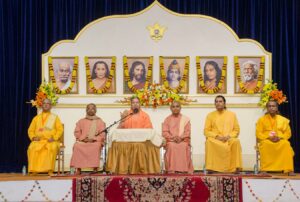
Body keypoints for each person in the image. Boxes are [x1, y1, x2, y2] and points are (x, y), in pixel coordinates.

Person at [204, 95, 242, 173]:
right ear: (214, 104)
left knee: (236, 141)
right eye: (216, 102)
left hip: (228, 139)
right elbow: (206, 131)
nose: (218, 103)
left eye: (220, 101)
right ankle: (212, 168)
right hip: (216, 139)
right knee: (209, 141)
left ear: (224, 103)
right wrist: (216, 136)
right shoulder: (210, 115)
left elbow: (236, 130)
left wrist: (228, 136)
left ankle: (234, 168)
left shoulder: (232, 114)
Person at [256, 100, 295, 175]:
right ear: (267, 108)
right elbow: (258, 133)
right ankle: (264, 169)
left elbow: (288, 133)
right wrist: (268, 137)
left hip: (280, 139)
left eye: (273, 106)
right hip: (267, 139)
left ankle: (289, 169)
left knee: (286, 144)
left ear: (277, 108)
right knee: (264, 144)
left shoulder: (283, 120)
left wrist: (280, 137)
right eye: (269, 106)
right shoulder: (261, 120)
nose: (271, 108)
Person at [27, 98, 63, 175]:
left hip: (51, 140)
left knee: (52, 148)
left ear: (50, 106)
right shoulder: (36, 118)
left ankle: (50, 170)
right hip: (39, 140)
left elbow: (60, 130)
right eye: (44, 103)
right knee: (32, 147)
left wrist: (54, 138)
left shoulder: (55, 117)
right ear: (41, 105)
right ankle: (34, 170)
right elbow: (30, 130)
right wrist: (33, 137)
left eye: (48, 103)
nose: (46, 105)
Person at [70, 103, 106, 175]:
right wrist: (83, 139)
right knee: (77, 146)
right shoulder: (81, 121)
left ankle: (95, 168)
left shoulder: (100, 121)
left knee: (96, 146)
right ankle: (78, 168)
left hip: (95, 141)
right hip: (83, 140)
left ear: (95, 110)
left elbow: (103, 134)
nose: (90, 110)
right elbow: (77, 132)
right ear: (86, 110)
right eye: (88, 108)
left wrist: (94, 139)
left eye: (92, 108)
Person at [162, 101, 194, 173]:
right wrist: (173, 138)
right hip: (171, 141)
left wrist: (181, 138)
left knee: (184, 146)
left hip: (183, 140)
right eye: (173, 107)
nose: (175, 108)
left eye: (177, 106)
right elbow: (164, 132)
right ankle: (171, 169)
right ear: (170, 108)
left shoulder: (185, 119)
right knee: (171, 146)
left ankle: (184, 170)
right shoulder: (167, 119)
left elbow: (187, 132)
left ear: (180, 108)